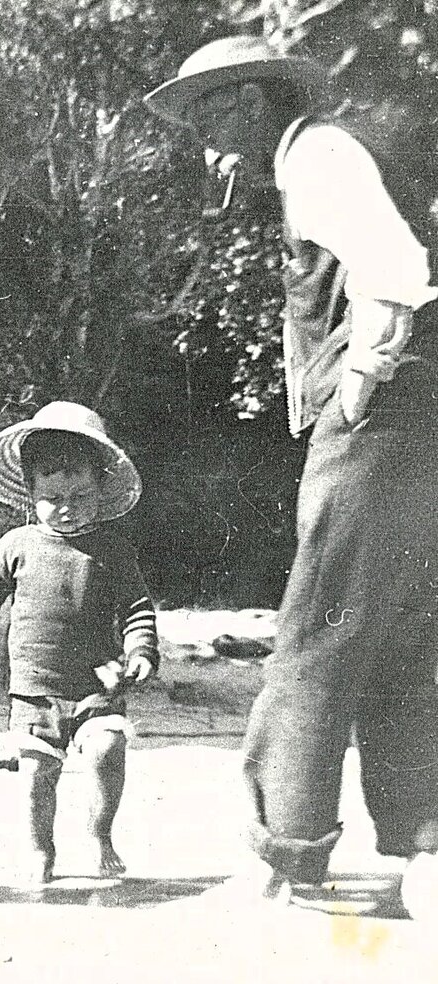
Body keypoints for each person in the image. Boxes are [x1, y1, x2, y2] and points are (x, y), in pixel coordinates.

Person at [145, 35, 438, 905]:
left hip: (387, 417)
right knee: (404, 625)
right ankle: (423, 840)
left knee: (316, 625)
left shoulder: (318, 153)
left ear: (251, 100)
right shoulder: (321, 152)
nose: (206, 139)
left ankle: (282, 857)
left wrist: (357, 385)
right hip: (418, 420)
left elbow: (399, 269)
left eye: (211, 114)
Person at [0, 401, 159, 885]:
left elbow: (137, 609)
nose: (67, 506)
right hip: (34, 695)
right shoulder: (16, 546)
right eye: (53, 495)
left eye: (81, 495)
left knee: (106, 751)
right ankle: (41, 848)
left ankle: (100, 832)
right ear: (30, 490)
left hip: (96, 688)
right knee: (38, 775)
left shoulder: (114, 551)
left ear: (102, 488)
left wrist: (141, 652)